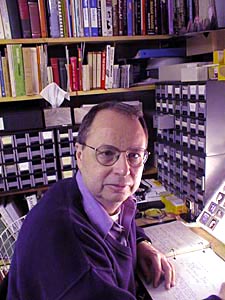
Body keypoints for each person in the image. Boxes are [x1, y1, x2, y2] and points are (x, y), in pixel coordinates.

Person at [6, 101, 175, 299]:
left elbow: (119, 222)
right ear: (80, 155)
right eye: (107, 153)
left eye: (134, 155)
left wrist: (140, 243)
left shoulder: (78, 190)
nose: (123, 169)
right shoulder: (69, 251)